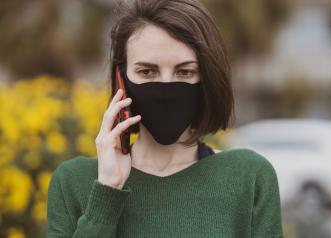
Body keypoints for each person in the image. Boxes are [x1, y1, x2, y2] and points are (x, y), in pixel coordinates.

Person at [46, 0, 284, 237]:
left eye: (185, 72)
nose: (166, 88)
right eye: (147, 71)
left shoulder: (249, 177)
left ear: (206, 80)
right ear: (121, 79)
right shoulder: (73, 181)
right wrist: (107, 191)